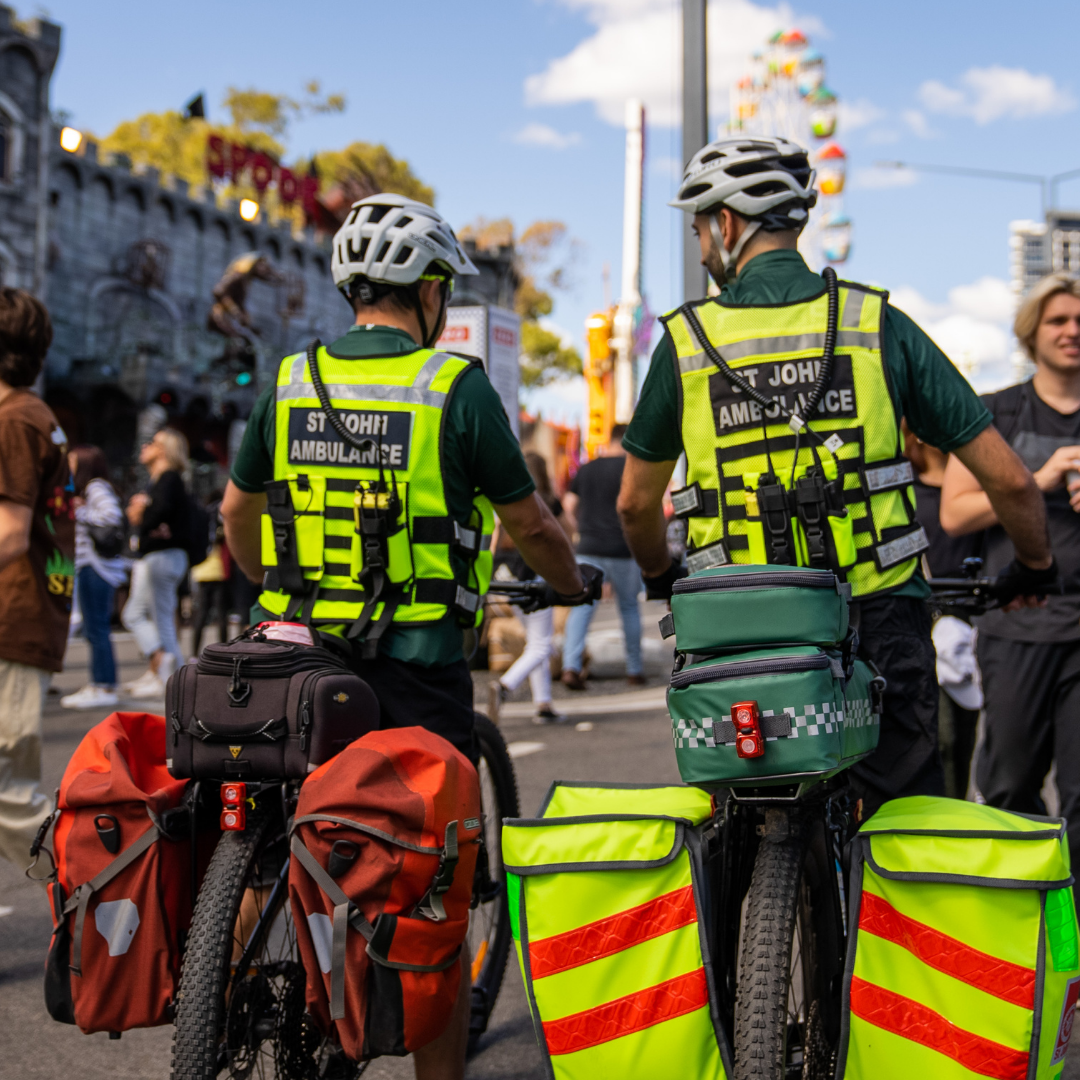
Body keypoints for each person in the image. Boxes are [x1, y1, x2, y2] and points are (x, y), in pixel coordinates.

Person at [219, 194, 596, 1080]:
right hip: (417, 676)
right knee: (439, 886)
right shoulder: (451, 387)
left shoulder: (291, 377)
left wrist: (272, 583)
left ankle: (231, 993)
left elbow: (237, 511)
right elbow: (530, 523)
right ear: (428, 291)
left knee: (267, 839)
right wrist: (573, 583)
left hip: (293, 659)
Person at [617, 136, 1055, 818]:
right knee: (901, 831)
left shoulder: (684, 343)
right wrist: (1033, 564)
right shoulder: (874, 323)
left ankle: (739, 906)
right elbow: (1012, 482)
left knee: (734, 812)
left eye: (700, 226)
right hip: (878, 618)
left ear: (726, 224)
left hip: (739, 627)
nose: (702, 245)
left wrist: (658, 579)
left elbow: (635, 504)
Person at [941, 273, 1080, 870]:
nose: (1072, 331)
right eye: (1058, 321)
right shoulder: (996, 411)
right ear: (1031, 333)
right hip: (1017, 627)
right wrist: (1035, 481)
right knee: (1009, 789)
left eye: (1079, 321)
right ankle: (1015, 946)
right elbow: (954, 512)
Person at [0, 288, 74, 868]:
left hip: (11, 620)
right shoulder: (33, 415)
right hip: (26, 618)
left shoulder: (15, 420)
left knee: (12, 798)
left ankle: (96, 899)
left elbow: (9, 533)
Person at [561, 424, 645, 689]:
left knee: (582, 607)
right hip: (624, 548)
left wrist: (581, 530)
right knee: (629, 607)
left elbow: (568, 505)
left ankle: (571, 667)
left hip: (588, 549)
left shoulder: (586, 469)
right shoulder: (631, 470)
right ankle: (635, 670)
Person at [489, 452, 567, 723]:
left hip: (508, 580)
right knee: (542, 645)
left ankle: (543, 704)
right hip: (537, 579)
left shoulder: (506, 499)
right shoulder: (548, 502)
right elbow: (564, 537)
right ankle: (504, 686)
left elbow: (494, 540)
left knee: (536, 641)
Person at [121, 427, 191, 698]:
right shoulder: (162, 480)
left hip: (162, 557)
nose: (145, 447)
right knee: (146, 614)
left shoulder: (169, 479)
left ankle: (170, 675)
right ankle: (161, 671)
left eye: (152, 443)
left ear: (163, 449)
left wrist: (143, 513)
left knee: (153, 616)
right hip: (161, 557)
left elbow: (157, 514)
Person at [60, 445, 127, 710]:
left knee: (97, 628)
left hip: (96, 566)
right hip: (93, 566)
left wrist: (79, 511)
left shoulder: (95, 487)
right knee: (94, 628)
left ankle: (104, 685)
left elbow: (112, 516)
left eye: (73, 462)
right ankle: (100, 682)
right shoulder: (92, 489)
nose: (69, 467)